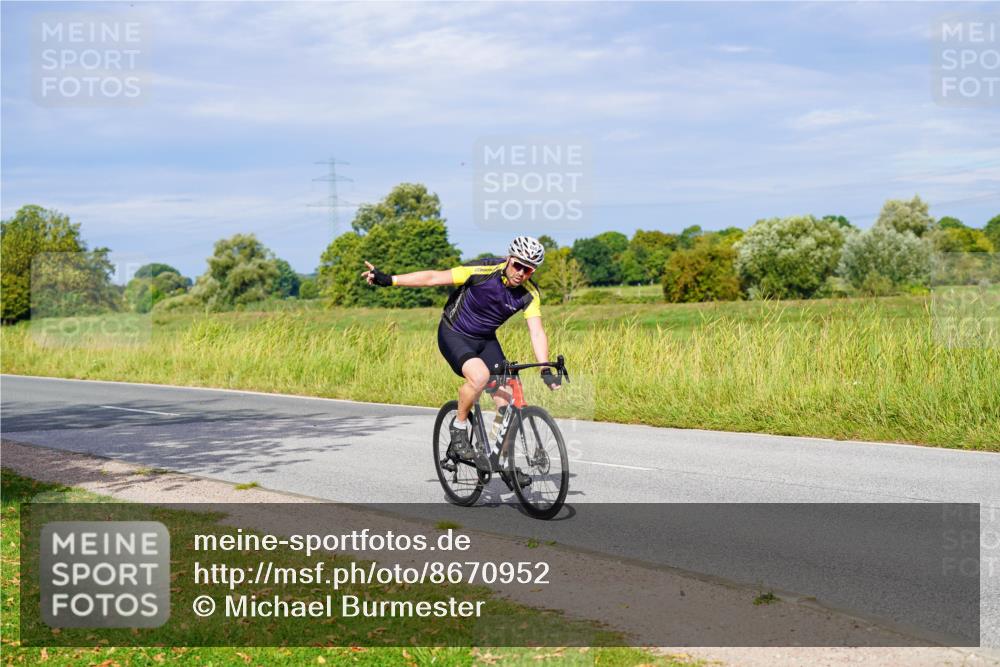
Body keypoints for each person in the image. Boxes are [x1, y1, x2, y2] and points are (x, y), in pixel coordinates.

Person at [361, 235, 561, 489]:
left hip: (485, 340)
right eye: (518, 265)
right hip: (454, 333)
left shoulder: (529, 294)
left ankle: (502, 462)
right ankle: (459, 428)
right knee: (479, 376)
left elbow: (537, 332)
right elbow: (433, 278)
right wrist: (390, 280)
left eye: (528, 269)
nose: (521, 273)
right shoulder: (482, 270)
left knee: (508, 400)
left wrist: (544, 367)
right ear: (509, 259)